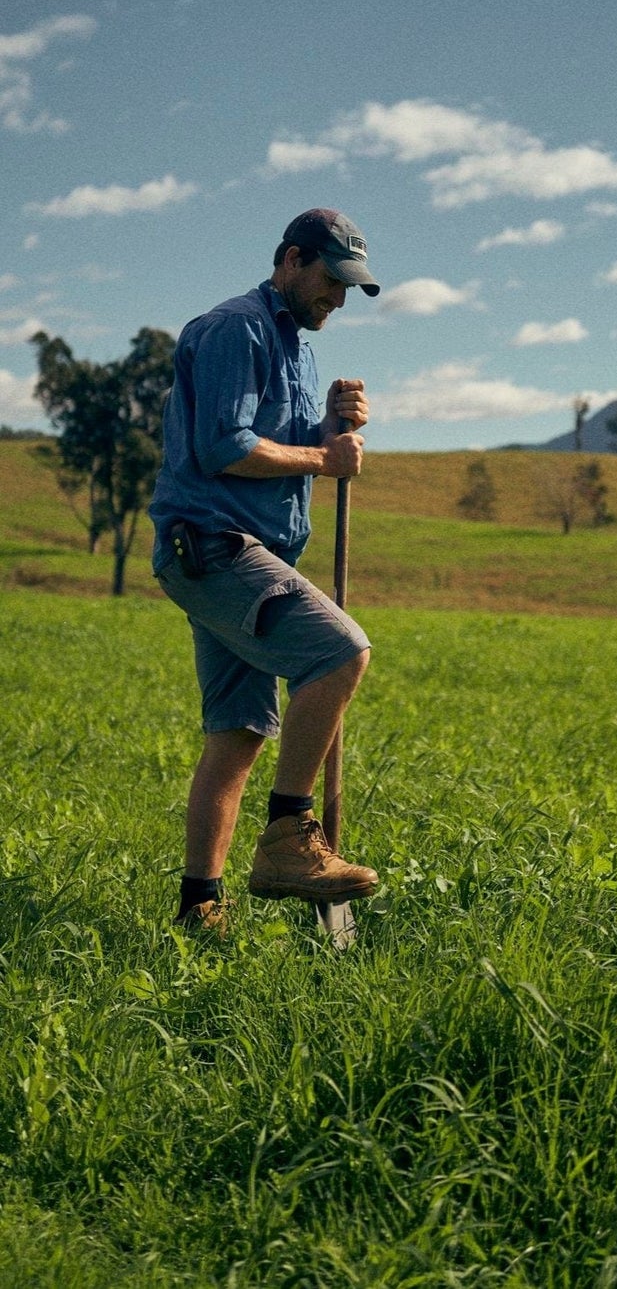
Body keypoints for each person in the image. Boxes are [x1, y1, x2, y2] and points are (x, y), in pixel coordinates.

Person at [150, 208, 383, 933]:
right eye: (330, 281)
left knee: (240, 730)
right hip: (215, 547)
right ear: (290, 259)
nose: (338, 299)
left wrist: (330, 428)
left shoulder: (295, 345)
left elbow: (274, 445)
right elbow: (226, 446)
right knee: (341, 651)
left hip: (244, 551)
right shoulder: (235, 329)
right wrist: (325, 459)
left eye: (349, 289)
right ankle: (288, 836)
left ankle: (200, 909)